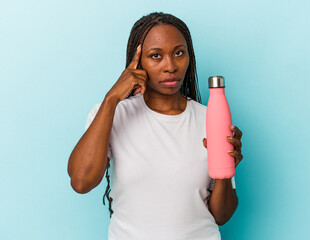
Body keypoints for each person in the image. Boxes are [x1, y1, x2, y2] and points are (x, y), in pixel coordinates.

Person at [67, 12, 243, 240]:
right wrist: (112, 99)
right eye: (156, 56)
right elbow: (81, 181)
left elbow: (220, 216)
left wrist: (225, 171)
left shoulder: (210, 118)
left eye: (179, 53)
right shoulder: (112, 114)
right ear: (137, 61)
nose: (170, 66)